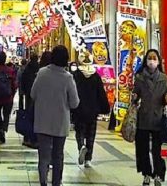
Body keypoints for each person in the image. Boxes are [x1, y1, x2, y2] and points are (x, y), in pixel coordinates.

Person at [31, 45, 80, 186]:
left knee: (44, 156)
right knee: (58, 155)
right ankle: (56, 183)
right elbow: (74, 103)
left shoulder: (42, 73)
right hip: (60, 123)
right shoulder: (68, 78)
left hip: (42, 121)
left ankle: (43, 182)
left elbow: (33, 94)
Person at [132, 49, 167, 186]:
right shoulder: (139, 77)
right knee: (142, 148)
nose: (152, 61)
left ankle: (158, 174)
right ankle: (146, 173)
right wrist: (134, 97)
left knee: (157, 150)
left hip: (157, 118)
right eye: (150, 58)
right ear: (146, 60)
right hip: (143, 117)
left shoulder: (163, 78)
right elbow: (135, 94)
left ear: (158, 61)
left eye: (154, 58)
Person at [72, 52, 109, 168]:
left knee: (80, 131)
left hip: (79, 109)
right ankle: (88, 159)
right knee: (91, 135)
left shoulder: (76, 75)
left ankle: (81, 146)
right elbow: (101, 94)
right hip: (93, 110)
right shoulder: (95, 76)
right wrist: (105, 107)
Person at [0, 51, 19, 144]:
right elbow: (14, 84)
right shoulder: (10, 70)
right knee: (6, 115)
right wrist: (12, 94)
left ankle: (0, 132)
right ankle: (4, 128)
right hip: (8, 97)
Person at [20, 56, 41, 148]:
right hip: (39, 96)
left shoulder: (27, 69)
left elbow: (23, 81)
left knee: (29, 115)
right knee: (37, 116)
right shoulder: (40, 69)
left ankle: (27, 137)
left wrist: (24, 92)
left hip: (29, 96)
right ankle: (36, 138)